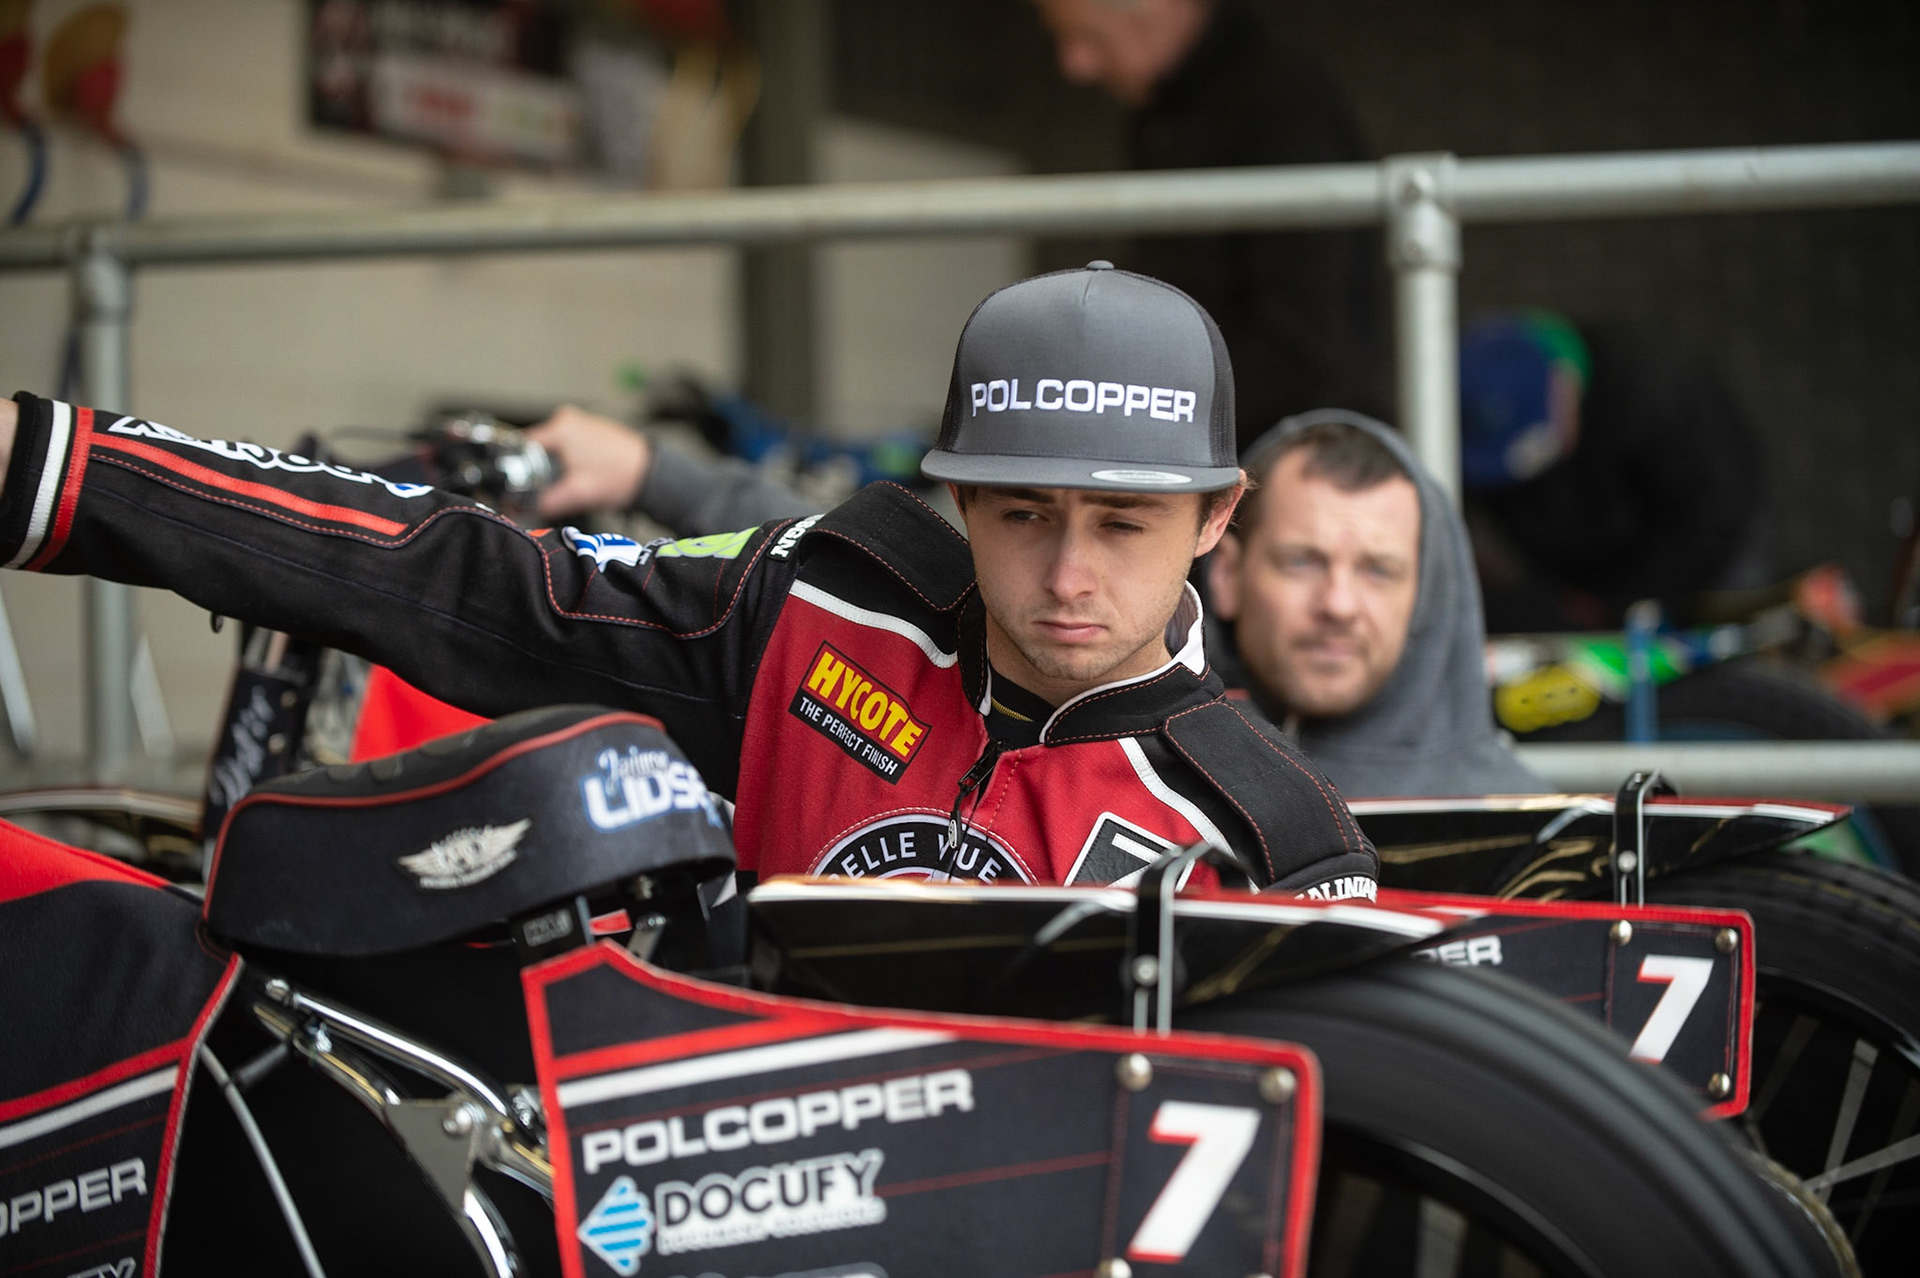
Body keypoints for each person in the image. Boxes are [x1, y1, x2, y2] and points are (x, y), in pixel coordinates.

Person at [0, 262, 1376, 897]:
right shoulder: (819, 601)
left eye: (1122, 525)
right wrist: (53, 469)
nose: (1066, 574)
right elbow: (456, 579)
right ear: (953, 494)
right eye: (1021, 514)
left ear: (1216, 521)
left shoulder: (1275, 839)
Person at [1032, 0, 1389, 445]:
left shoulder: (1281, 99)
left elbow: (1306, 336)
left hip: (1286, 451)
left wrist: (1149, 424)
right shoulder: (1162, 108)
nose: (1075, 65)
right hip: (1210, 435)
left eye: (1092, 35)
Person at [1206, 409, 1545, 797]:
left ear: (1424, 597)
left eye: (1379, 571)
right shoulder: (1148, 793)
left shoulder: (1515, 826)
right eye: (1301, 562)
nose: (1339, 605)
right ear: (1227, 575)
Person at [1457, 310, 1767, 632]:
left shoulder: (1655, 389)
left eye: (1536, 444)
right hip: (1573, 590)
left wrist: (1626, 601)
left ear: (1563, 384)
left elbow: (1714, 510)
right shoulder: (1467, 394)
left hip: (1702, 567)